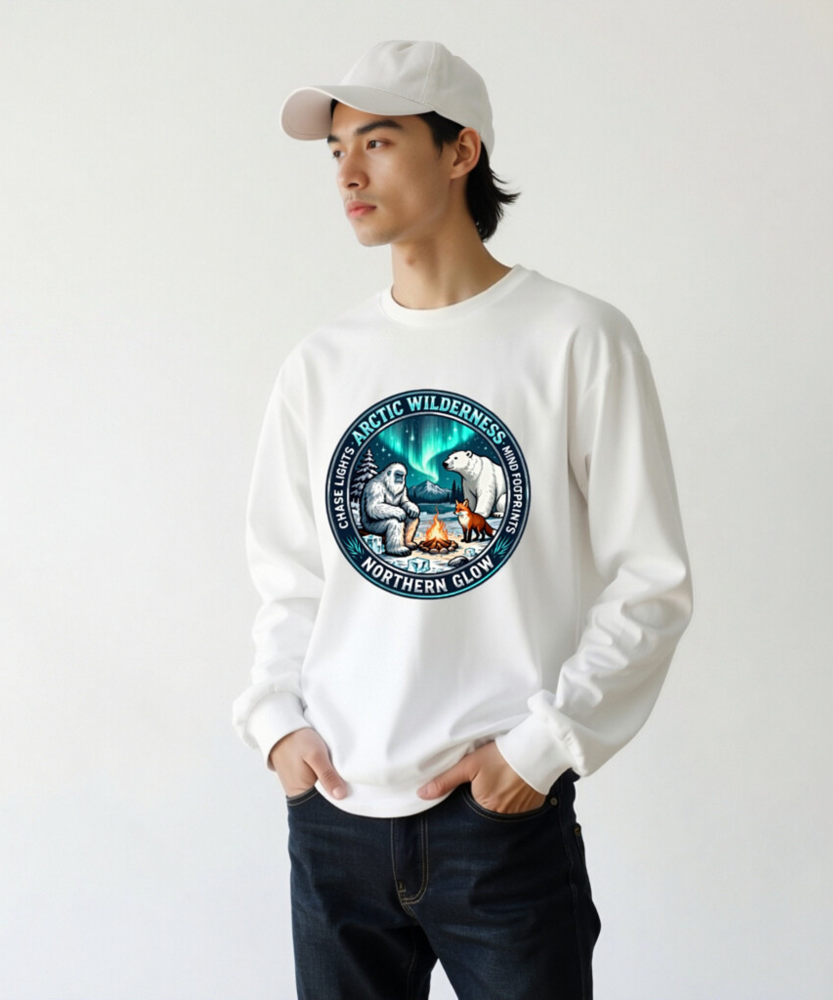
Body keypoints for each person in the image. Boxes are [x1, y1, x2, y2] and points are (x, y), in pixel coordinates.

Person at [232, 38, 693, 1000]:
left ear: (460, 151)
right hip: (336, 817)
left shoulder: (576, 339)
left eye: (378, 141)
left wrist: (541, 752)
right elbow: (290, 576)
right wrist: (277, 726)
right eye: (336, 151)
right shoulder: (322, 364)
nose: (347, 173)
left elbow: (650, 581)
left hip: (499, 826)